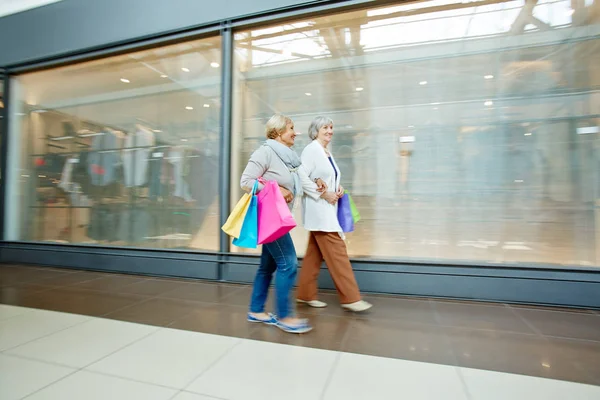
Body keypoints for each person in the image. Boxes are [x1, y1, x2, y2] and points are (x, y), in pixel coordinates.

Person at [240, 114, 326, 333]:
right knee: (288, 264)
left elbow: (297, 179)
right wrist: (277, 189)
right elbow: (246, 181)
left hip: (278, 218)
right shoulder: (265, 152)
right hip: (270, 219)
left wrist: (316, 182)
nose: (295, 132)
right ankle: (285, 316)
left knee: (267, 266)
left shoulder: (288, 157)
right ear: (278, 132)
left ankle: (256, 310)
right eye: (291, 128)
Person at [296, 116, 372, 312]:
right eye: (325, 127)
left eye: (331, 127)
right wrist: (324, 193)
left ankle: (305, 294)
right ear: (315, 130)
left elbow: (329, 176)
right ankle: (351, 298)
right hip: (320, 211)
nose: (330, 131)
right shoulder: (311, 150)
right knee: (338, 252)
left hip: (325, 209)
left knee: (314, 255)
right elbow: (301, 176)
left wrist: (337, 188)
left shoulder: (325, 152)